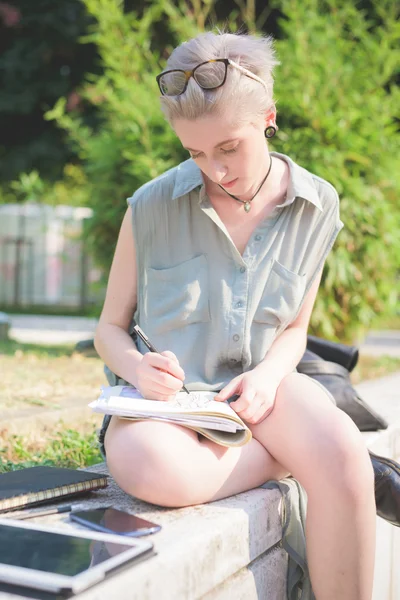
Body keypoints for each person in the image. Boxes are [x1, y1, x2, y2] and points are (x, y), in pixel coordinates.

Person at [94, 31, 376, 600]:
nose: (214, 170)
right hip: (168, 411)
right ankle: (291, 460)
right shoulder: (149, 206)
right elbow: (108, 330)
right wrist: (138, 368)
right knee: (150, 468)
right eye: (195, 153)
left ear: (267, 118)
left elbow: (295, 329)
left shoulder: (317, 205)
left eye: (227, 148)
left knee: (345, 460)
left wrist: (270, 378)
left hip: (266, 393)